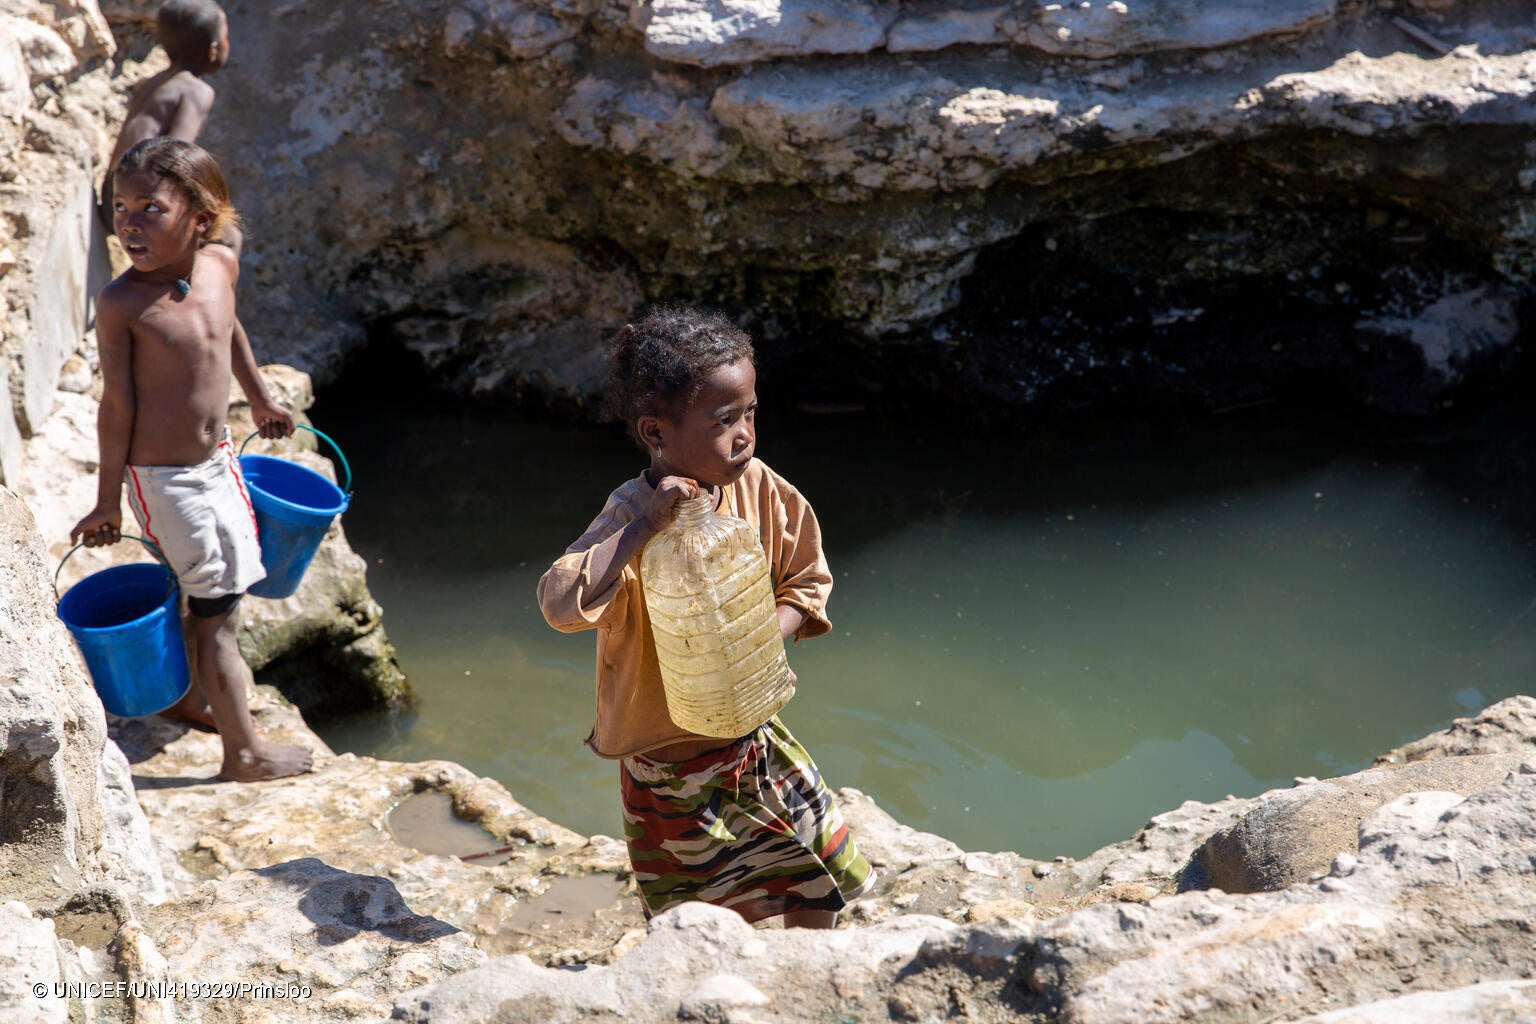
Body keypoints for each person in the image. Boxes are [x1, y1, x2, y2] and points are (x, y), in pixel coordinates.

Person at [537, 306, 874, 927]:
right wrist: (644, 527)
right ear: (656, 432)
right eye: (723, 420)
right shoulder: (628, 515)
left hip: (753, 739)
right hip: (667, 764)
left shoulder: (762, 490)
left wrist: (759, 641)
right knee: (695, 916)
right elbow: (561, 604)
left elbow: (808, 579)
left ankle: (810, 975)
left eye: (750, 412)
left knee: (818, 876)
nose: (744, 433)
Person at [71, 137, 311, 782]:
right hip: (165, 481)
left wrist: (260, 397)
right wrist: (105, 498)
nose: (129, 222)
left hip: (219, 461)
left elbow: (227, 327)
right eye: (121, 207)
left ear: (201, 219)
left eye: (151, 207)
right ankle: (244, 753)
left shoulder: (219, 265)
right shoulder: (124, 302)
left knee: (204, 589)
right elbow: (116, 406)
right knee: (220, 613)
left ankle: (188, 698)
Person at [99, 0, 242, 257]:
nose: (227, 43)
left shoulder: (153, 81)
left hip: (114, 197)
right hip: (138, 204)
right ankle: (188, 295)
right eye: (226, 37)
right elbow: (174, 160)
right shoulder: (196, 91)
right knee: (227, 238)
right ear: (212, 50)